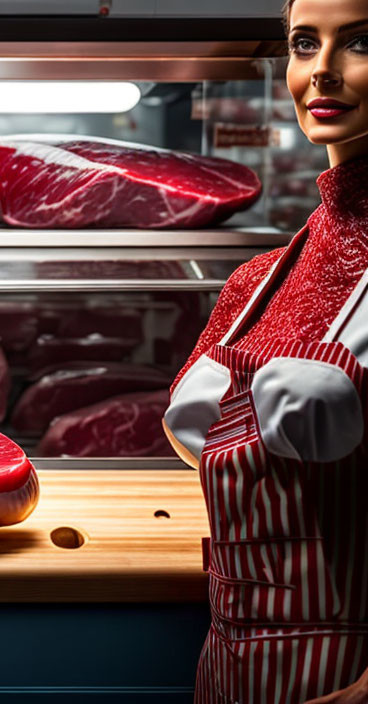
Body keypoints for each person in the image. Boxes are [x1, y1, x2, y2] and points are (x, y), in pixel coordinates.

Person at [163, 0, 368, 701]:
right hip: (230, 670)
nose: (323, 73)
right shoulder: (259, 279)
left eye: (362, 43)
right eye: (304, 44)